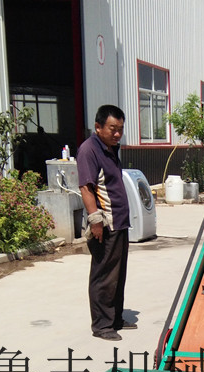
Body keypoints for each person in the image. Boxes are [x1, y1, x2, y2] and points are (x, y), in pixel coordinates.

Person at [77, 104, 135, 341]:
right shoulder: (89, 150)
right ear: (98, 127)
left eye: (120, 129)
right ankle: (102, 325)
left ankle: (115, 318)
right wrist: (95, 221)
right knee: (104, 276)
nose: (117, 133)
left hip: (119, 222)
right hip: (105, 224)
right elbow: (86, 187)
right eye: (113, 128)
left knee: (118, 275)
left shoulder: (110, 148)